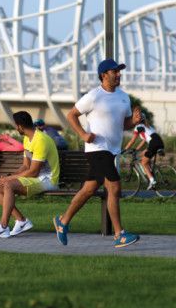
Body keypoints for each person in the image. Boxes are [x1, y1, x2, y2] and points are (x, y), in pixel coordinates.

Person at [52, 58, 141, 249]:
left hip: (112, 151)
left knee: (89, 189)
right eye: (114, 71)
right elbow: (71, 115)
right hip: (97, 149)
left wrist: (133, 121)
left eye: (119, 71)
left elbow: (122, 124)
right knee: (114, 188)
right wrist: (83, 134)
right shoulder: (93, 96)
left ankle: (63, 221)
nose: (118, 74)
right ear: (103, 75)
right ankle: (120, 234)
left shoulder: (124, 97)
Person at [0, 111, 59, 239]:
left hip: (48, 180)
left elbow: (33, 172)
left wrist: (9, 179)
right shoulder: (27, 138)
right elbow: (25, 166)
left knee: (8, 185)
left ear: (20, 126)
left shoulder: (40, 140)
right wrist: (10, 176)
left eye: (16, 125)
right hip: (36, 178)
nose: (16, 128)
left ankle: (3, 227)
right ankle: (21, 221)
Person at [122, 115, 164, 190]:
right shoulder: (148, 126)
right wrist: (136, 149)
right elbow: (144, 140)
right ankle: (151, 173)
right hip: (159, 142)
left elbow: (132, 141)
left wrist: (124, 149)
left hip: (153, 143)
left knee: (143, 163)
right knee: (143, 154)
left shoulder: (138, 127)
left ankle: (152, 180)